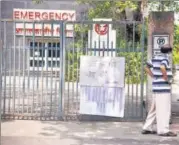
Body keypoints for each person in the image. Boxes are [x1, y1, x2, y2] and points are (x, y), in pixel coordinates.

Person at [141, 44, 177, 137]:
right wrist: (165, 78)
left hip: (156, 87)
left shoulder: (155, 57)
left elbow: (146, 67)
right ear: (169, 52)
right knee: (164, 110)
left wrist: (153, 76)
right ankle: (163, 130)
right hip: (163, 88)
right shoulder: (165, 58)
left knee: (154, 109)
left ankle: (147, 127)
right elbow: (162, 67)